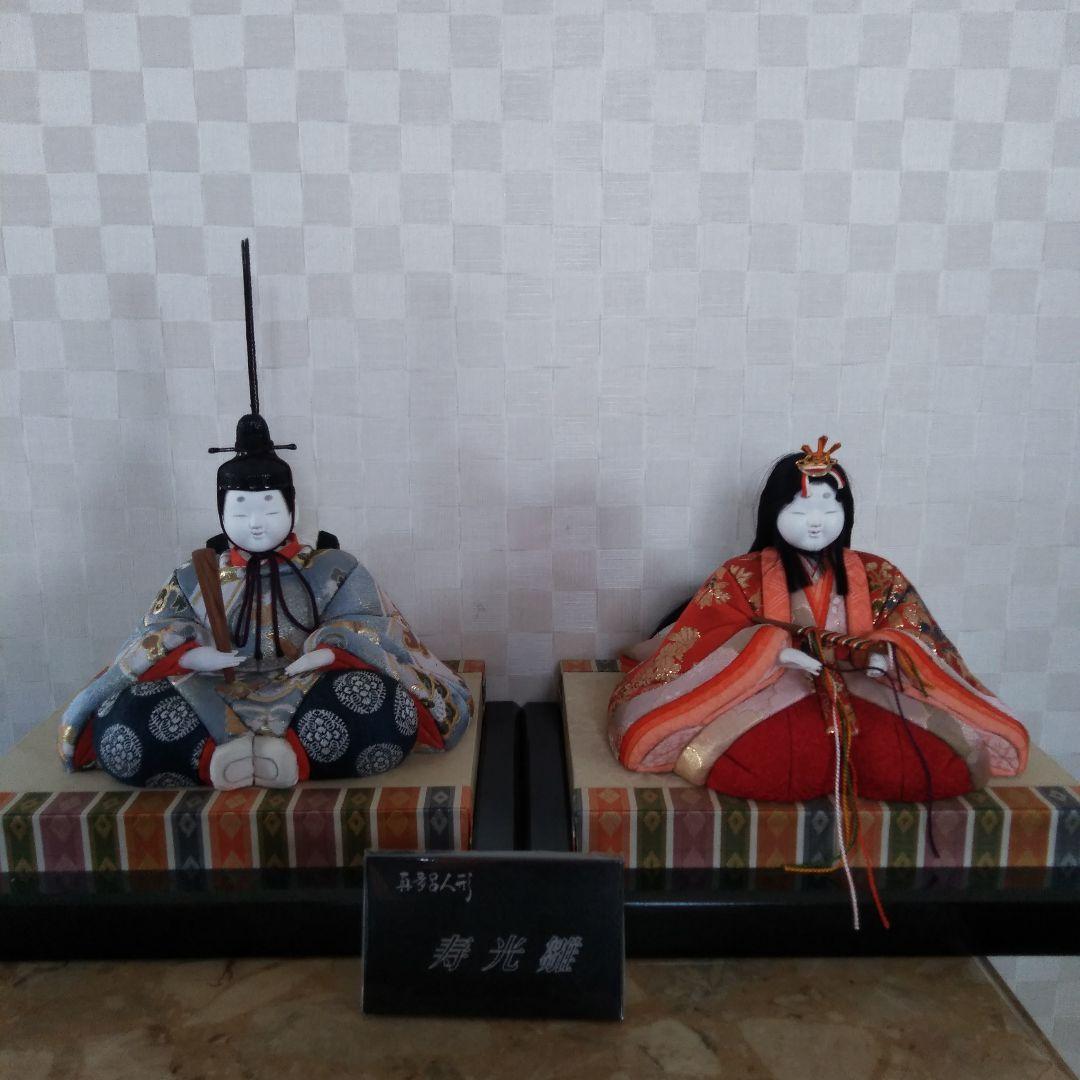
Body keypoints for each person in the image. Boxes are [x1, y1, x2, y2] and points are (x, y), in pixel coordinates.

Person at [58, 241, 471, 790]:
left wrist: (327, 648)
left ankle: (290, 754)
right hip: (212, 694)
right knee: (125, 717)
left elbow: (371, 625)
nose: (256, 521)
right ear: (221, 510)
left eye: (269, 506)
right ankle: (218, 757)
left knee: (381, 705)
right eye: (241, 507)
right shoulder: (197, 574)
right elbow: (156, 632)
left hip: (309, 691)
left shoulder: (332, 567)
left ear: (291, 506)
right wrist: (193, 653)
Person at [608, 438, 1029, 804]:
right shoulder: (741, 574)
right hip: (772, 687)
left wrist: (885, 653)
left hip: (867, 687)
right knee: (783, 758)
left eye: (830, 508)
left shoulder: (878, 573)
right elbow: (710, 634)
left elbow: (913, 633)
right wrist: (772, 649)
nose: (816, 521)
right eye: (800, 508)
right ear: (773, 512)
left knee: (911, 759)